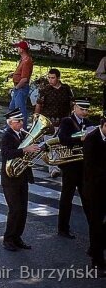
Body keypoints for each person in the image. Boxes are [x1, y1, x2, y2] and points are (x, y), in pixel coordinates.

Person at [0, 109, 38, 251]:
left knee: (23, 210)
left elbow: (28, 152)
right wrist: (24, 150)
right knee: (14, 210)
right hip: (10, 179)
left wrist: (36, 149)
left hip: (22, 177)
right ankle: (8, 239)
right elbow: (6, 153)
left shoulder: (23, 134)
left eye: (22, 120)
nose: (22, 123)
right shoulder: (7, 136)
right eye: (18, 121)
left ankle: (17, 237)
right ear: (11, 123)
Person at [56, 99, 92, 239]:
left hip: (83, 166)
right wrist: (79, 139)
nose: (84, 112)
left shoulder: (88, 124)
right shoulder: (67, 121)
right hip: (70, 166)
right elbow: (63, 139)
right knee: (67, 197)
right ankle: (63, 228)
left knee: (88, 198)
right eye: (82, 109)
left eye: (86, 110)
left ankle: (94, 228)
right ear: (75, 107)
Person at [83, 117, 106, 273]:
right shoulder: (92, 139)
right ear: (103, 125)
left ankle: (95, 247)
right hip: (95, 189)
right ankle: (97, 262)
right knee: (96, 224)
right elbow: (90, 166)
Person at [7, 41, 34, 128]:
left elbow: (24, 79)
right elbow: (21, 73)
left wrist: (16, 88)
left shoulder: (26, 61)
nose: (17, 49)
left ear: (22, 49)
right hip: (18, 87)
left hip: (21, 88)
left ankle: (22, 129)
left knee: (20, 110)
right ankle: (11, 127)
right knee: (13, 108)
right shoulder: (23, 60)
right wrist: (14, 74)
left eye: (18, 47)